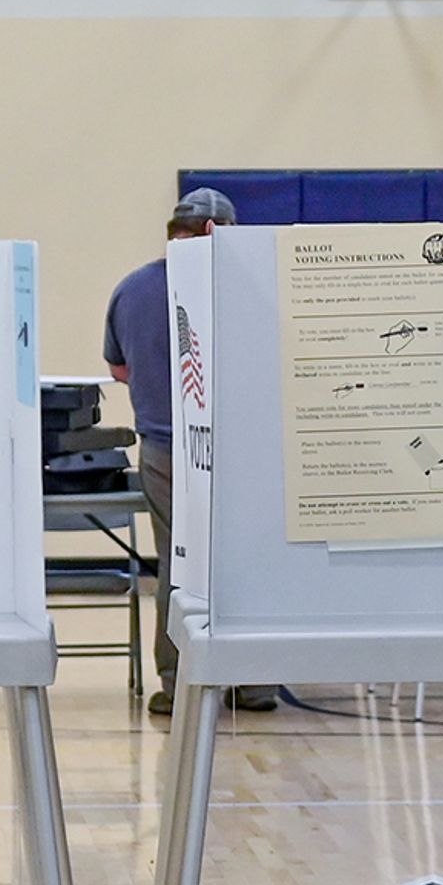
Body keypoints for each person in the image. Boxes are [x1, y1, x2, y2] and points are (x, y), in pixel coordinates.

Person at [102, 188, 275, 719]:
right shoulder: (245, 286)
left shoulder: (132, 289)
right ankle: (252, 682)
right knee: (244, 564)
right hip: (239, 449)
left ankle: (179, 685)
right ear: (215, 231)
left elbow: (118, 370)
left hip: (164, 449)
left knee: (178, 566)